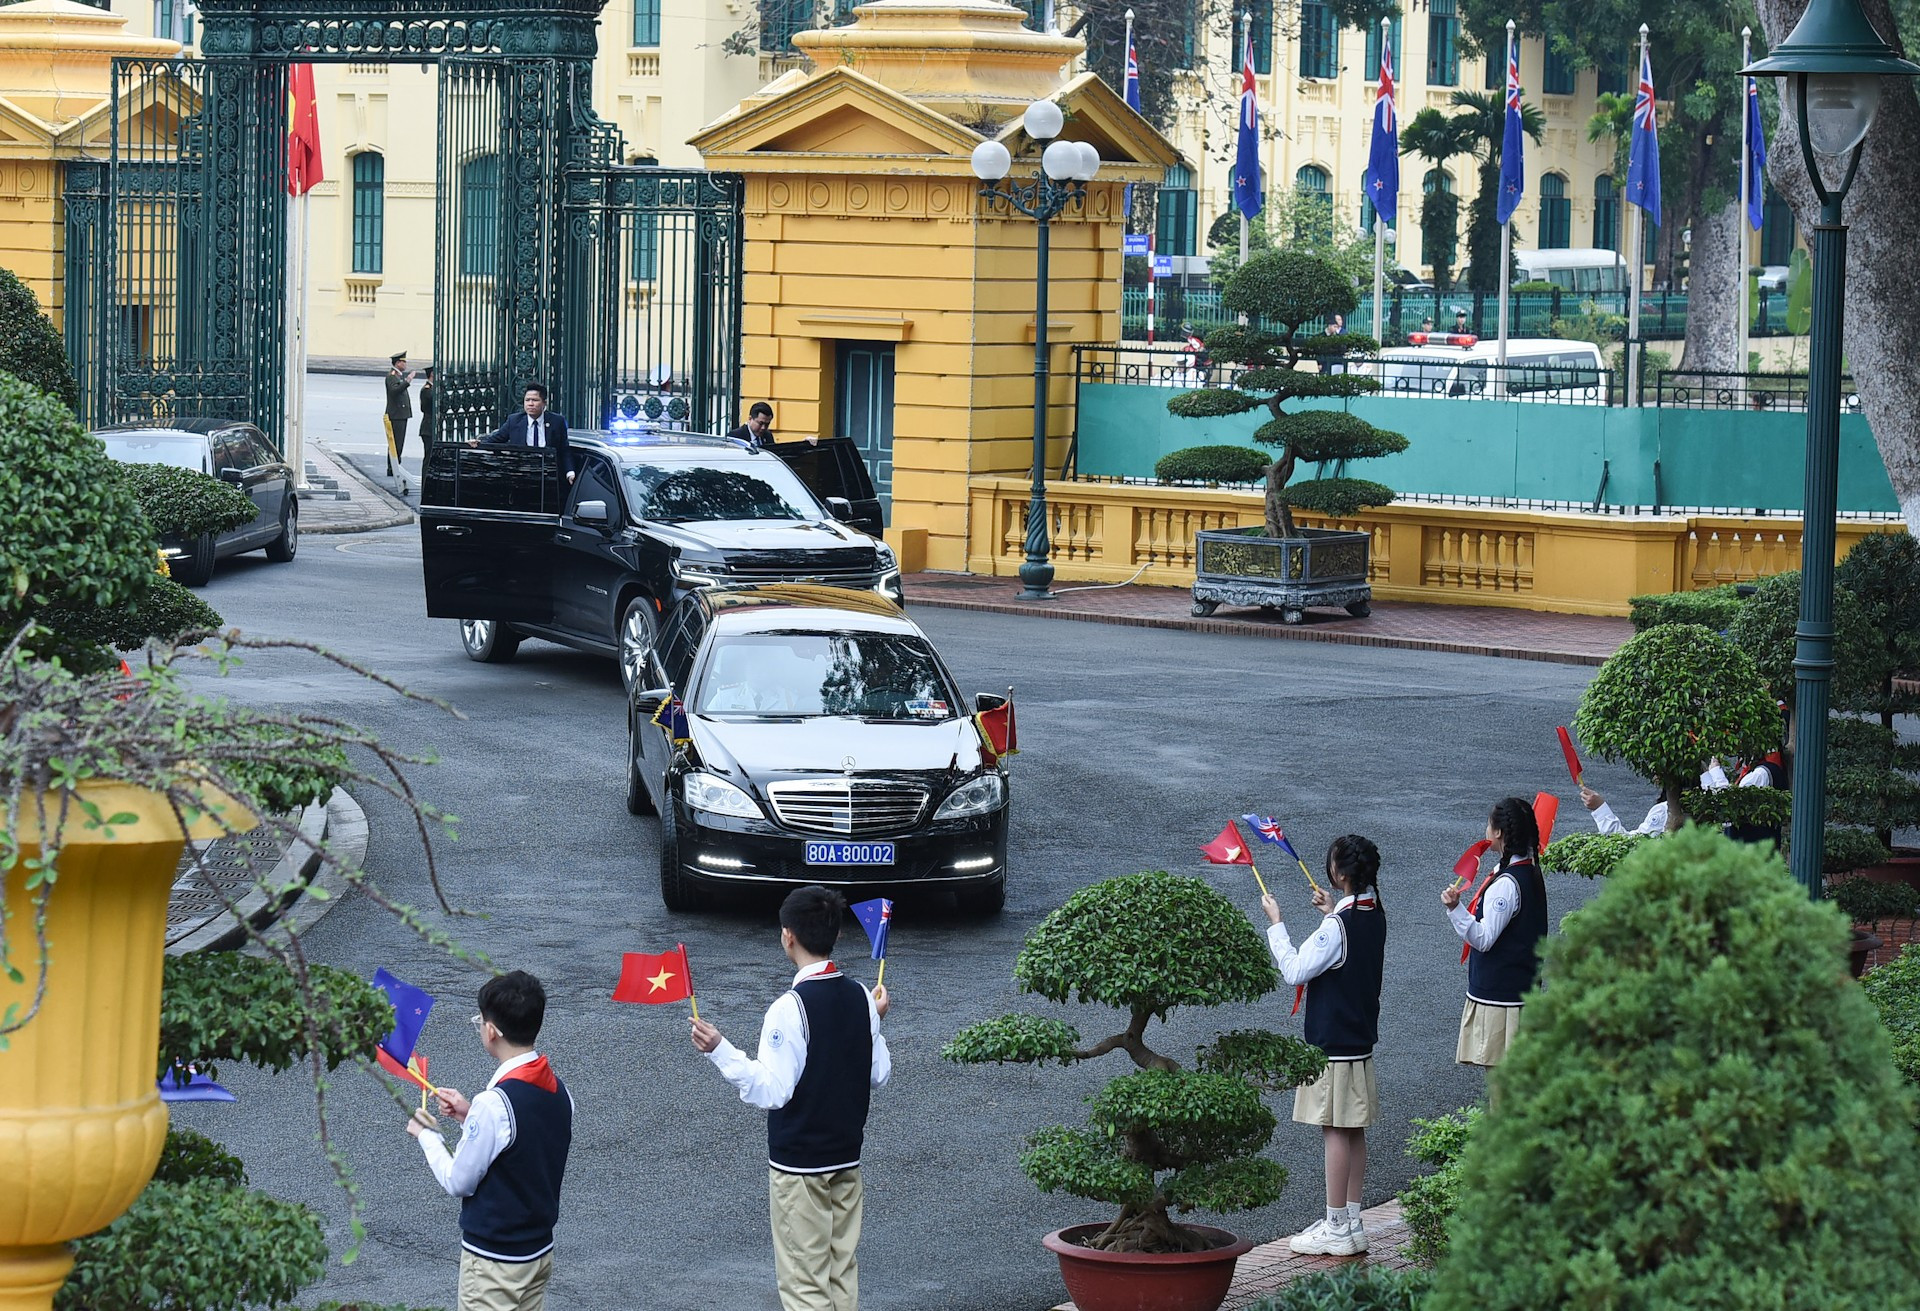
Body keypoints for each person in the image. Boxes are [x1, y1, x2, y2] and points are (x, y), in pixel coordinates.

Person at [691, 885, 892, 1311]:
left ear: (788, 936)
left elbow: (773, 1090)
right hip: (847, 1158)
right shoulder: (861, 996)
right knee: (840, 1273)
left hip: (800, 1166)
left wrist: (720, 1050)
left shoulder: (789, 1007)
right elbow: (878, 1074)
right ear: (837, 934)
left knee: (805, 1284)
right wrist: (875, 1024)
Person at [407, 970, 574, 1311]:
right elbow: (524, 1143)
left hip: (494, 1262)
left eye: (480, 1021)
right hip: (537, 1253)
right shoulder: (559, 1090)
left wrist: (428, 1135)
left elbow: (458, 1181)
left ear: (492, 1031)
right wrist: (469, 1116)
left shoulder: (494, 1104)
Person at [1258, 835, 1386, 1258]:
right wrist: (1332, 911)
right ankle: (1351, 1222)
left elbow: (1295, 970)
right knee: (1353, 1128)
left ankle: (1335, 1226)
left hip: (1332, 1042)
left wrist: (1276, 923)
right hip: (1359, 1038)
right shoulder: (1374, 911)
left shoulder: (1337, 927)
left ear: (1340, 873)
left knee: (1334, 1128)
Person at [1442, 797, 1544, 1070]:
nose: (1486, 829)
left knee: (1501, 1078)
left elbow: (1484, 939)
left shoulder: (1506, 883)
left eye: (1489, 824)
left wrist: (1455, 909)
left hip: (1502, 997)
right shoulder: (1527, 870)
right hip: (1520, 991)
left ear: (1498, 832)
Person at [1579, 760, 1737, 836]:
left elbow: (1629, 845)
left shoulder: (1664, 811)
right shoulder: (1718, 808)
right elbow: (1723, 798)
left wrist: (1600, 809)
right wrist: (1714, 773)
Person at [487, 383, 573, 485]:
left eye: (535, 400)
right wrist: (476, 443)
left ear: (544, 403)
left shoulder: (557, 421)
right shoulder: (514, 421)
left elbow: (564, 450)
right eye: (527, 400)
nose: (530, 404)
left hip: (549, 477)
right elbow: (494, 440)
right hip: (522, 478)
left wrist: (569, 472)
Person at [385, 351, 414, 476]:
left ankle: (395, 466)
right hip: (396, 415)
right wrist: (408, 381)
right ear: (397, 363)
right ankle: (393, 468)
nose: (405, 364)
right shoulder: (392, 376)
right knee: (396, 443)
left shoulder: (397, 375)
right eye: (403, 362)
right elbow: (394, 391)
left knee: (399, 443)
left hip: (400, 414)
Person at [418, 365, 437, 453]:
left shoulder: (434, 388)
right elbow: (425, 408)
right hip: (428, 427)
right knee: (429, 455)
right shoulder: (426, 390)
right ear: (432, 374)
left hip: (433, 426)